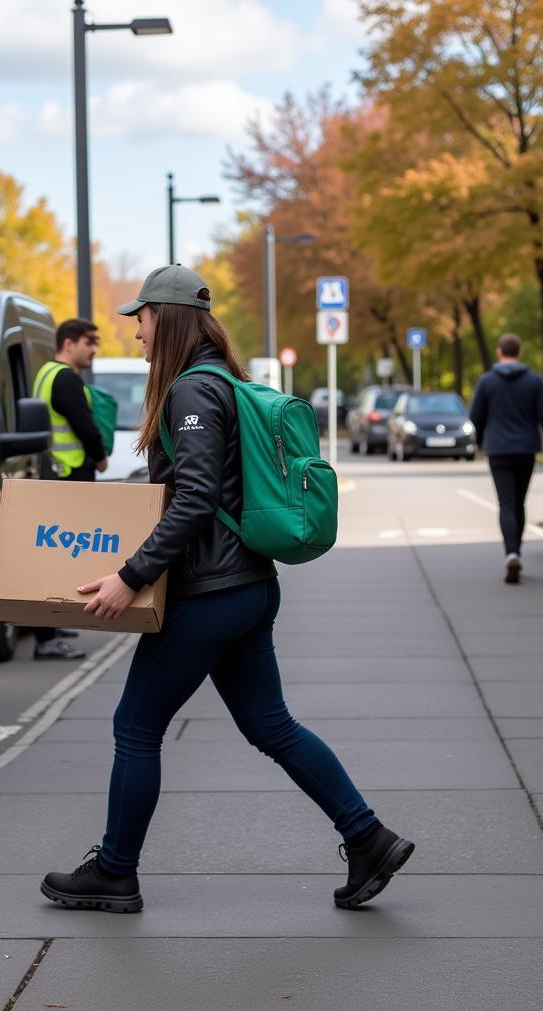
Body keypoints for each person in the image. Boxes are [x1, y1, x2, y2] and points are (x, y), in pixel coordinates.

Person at [40, 265, 414, 913]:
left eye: (142, 318)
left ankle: (115, 871)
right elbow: (204, 493)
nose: (136, 333)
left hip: (210, 593)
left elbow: (194, 501)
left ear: (170, 316)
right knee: (272, 725)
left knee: (135, 725)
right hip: (247, 586)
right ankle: (368, 837)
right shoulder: (226, 383)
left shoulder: (191, 392)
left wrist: (130, 578)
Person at [29, 318, 109, 661]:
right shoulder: (65, 379)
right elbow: (84, 425)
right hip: (68, 475)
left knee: (53, 553)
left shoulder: (45, 374)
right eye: (89, 342)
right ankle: (46, 639)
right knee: (60, 556)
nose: (93, 349)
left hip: (52, 475)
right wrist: (100, 456)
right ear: (69, 344)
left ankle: (50, 627)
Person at [469, 332, 543, 584]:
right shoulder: (533, 381)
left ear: (500, 352)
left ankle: (511, 553)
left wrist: (479, 444)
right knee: (519, 502)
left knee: (506, 503)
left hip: (498, 449)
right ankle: (516, 551)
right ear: (519, 352)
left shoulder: (487, 382)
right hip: (525, 449)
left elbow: (475, 417)